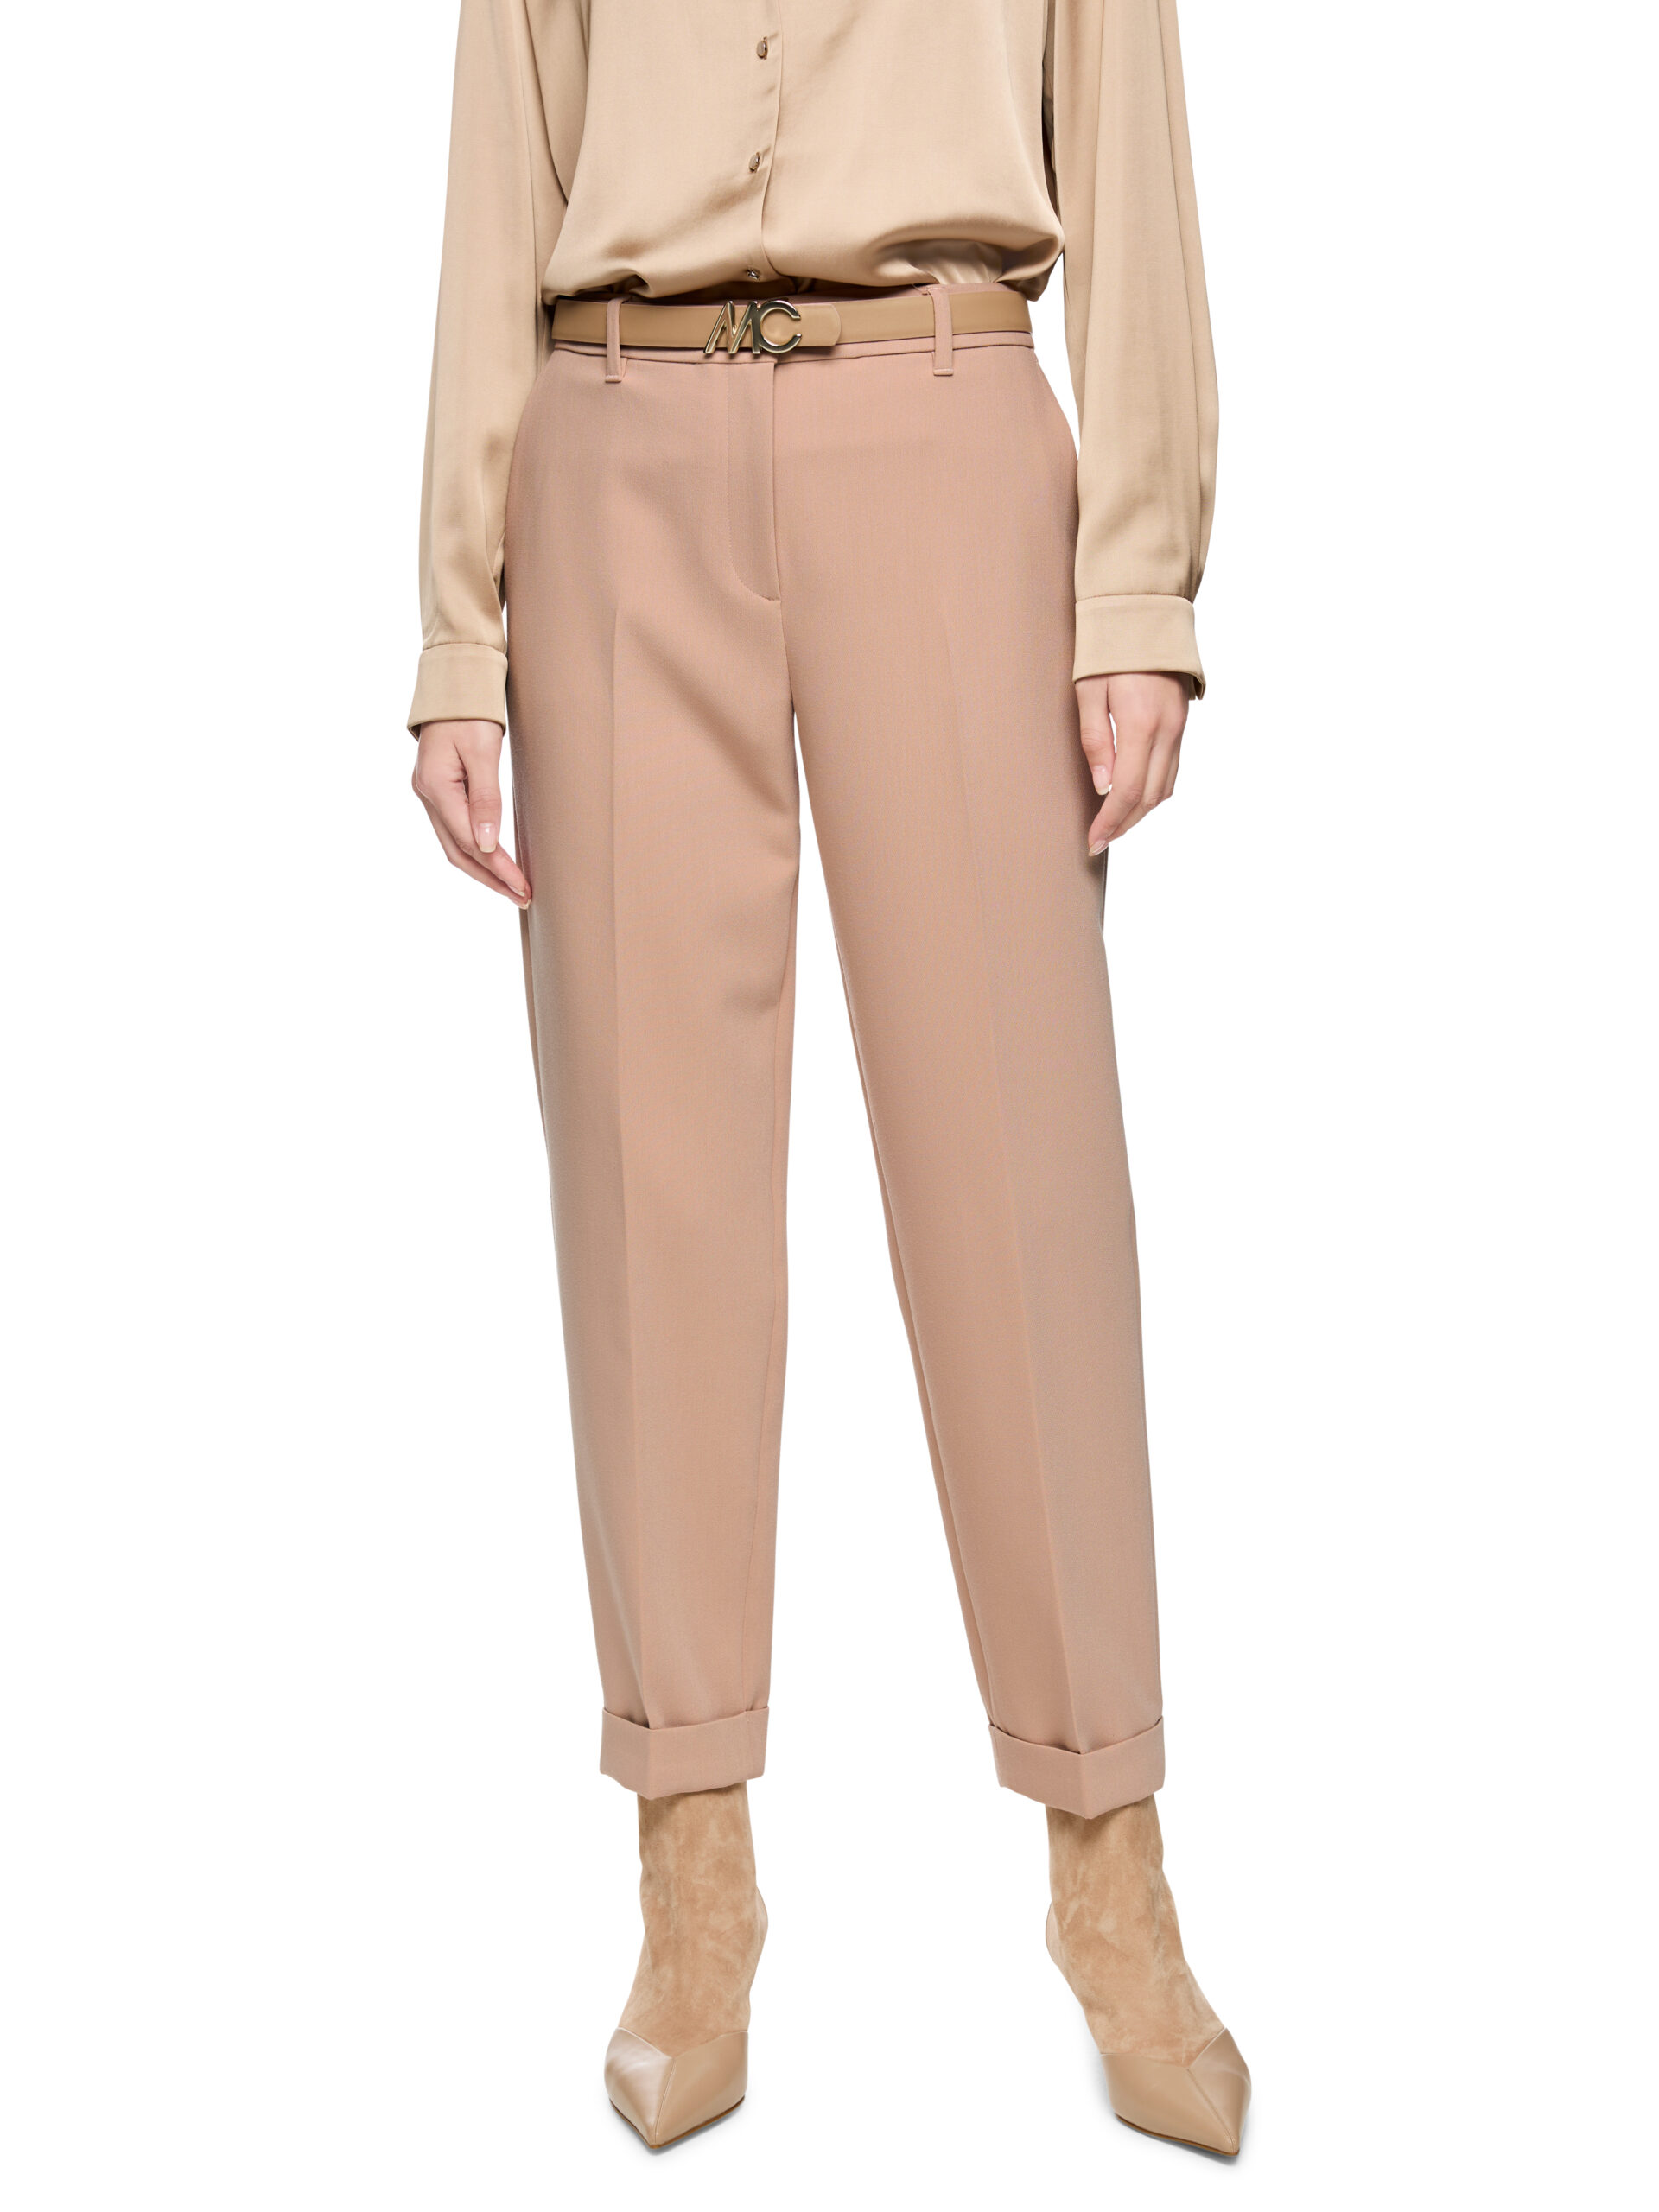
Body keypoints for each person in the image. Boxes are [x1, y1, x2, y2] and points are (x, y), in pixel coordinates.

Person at [407, 0, 1247, 2157]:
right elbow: (504, 159)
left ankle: (1110, 1862)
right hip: (612, 440)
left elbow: (1128, 149)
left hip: (947, 420)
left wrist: (1139, 584)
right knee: (648, 1197)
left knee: (1022, 1189)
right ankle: (692, 1865)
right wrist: (457, 629)